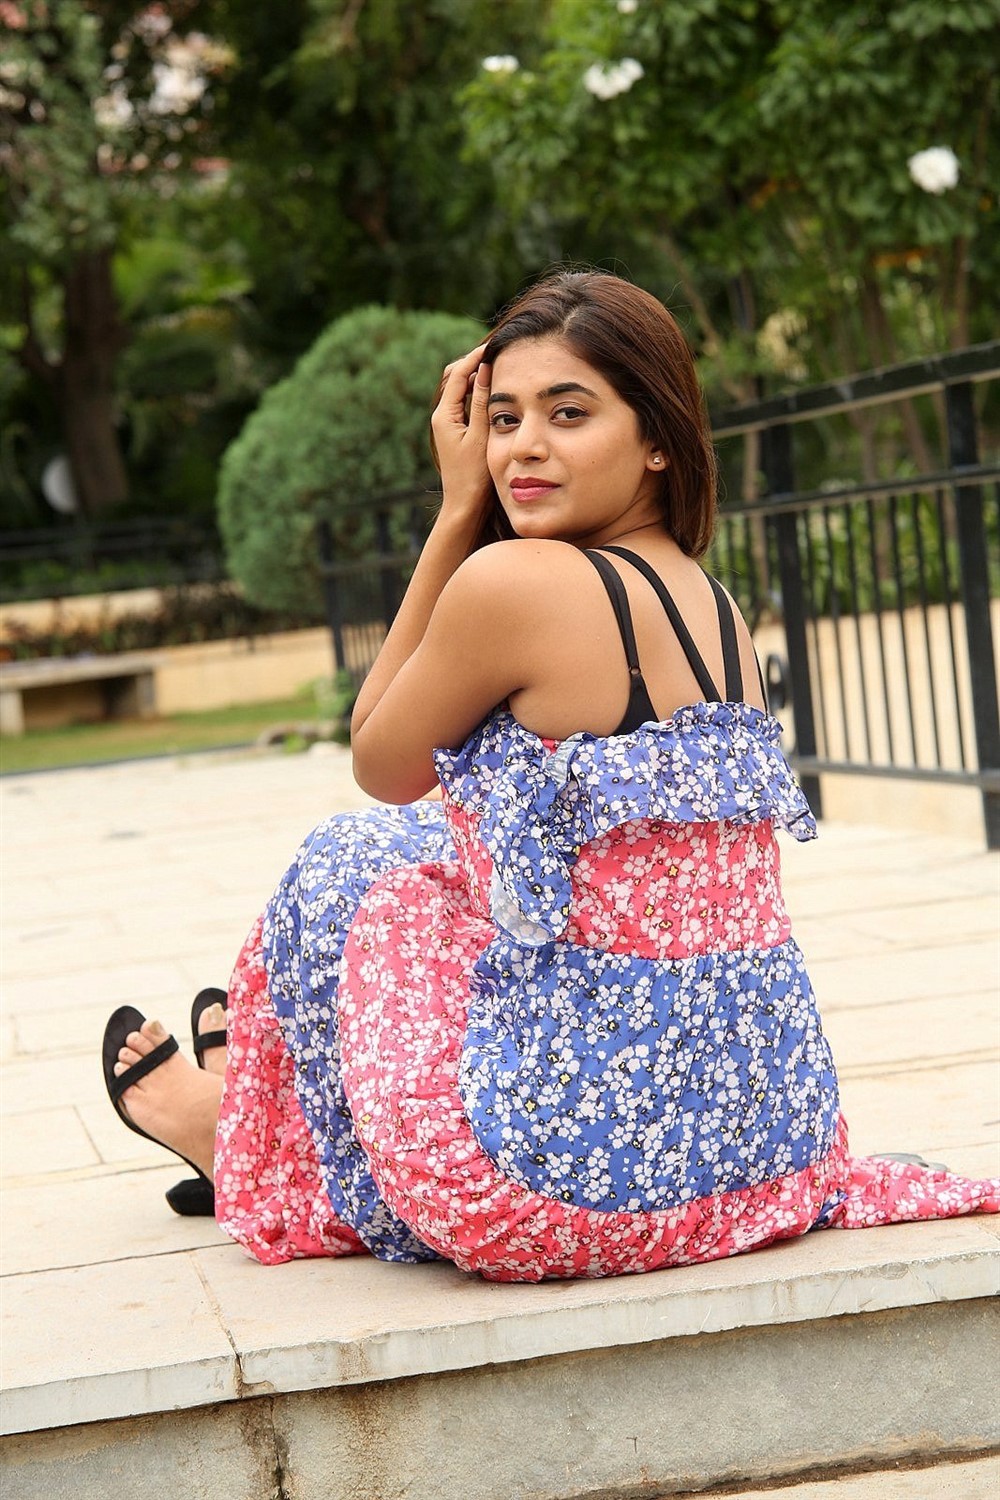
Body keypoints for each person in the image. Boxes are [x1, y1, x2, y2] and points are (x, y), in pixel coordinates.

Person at [103, 271, 998, 1281]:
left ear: (656, 438)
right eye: (502, 419)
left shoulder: (515, 581)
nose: (521, 448)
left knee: (352, 861)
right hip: (761, 1145)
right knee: (440, 851)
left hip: (564, 1182)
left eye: (567, 414)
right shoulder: (713, 604)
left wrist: (456, 511)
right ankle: (255, 1115)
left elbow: (378, 758)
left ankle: (245, 1132)